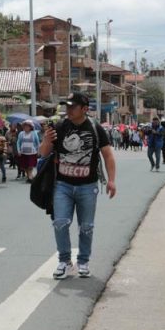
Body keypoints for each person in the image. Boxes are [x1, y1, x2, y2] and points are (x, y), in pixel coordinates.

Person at [38, 92, 117, 280]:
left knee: (86, 226)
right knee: (60, 223)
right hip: (63, 185)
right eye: (67, 106)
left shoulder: (96, 128)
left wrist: (111, 180)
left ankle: (83, 261)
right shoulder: (59, 127)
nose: (69, 110)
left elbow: (108, 155)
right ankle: (65, 261)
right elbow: (43, 154)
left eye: (73, 106)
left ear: (84, 109)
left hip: (88, 186)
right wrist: (47, 140)